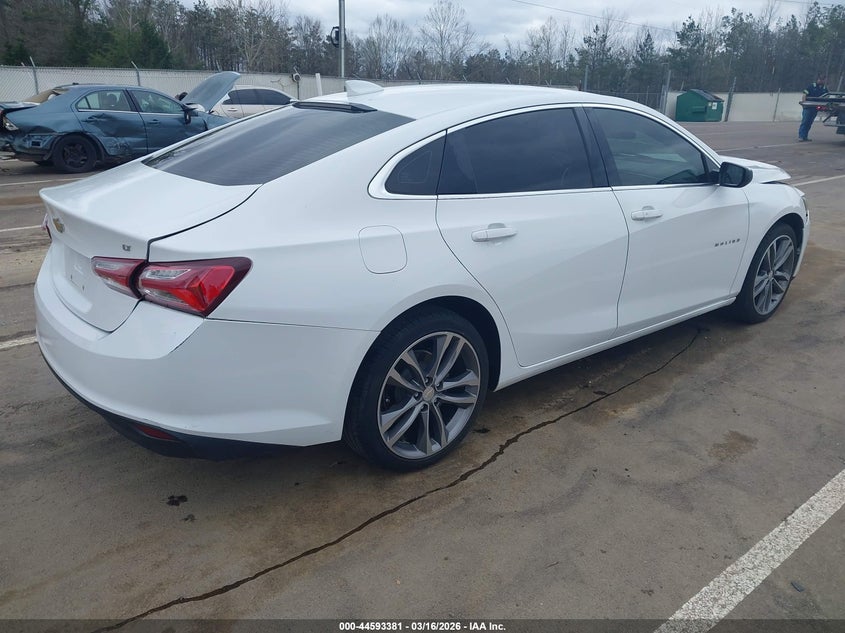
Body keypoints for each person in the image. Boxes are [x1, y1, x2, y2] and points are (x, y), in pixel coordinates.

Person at [798, 74, 828, 141]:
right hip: (808, 107)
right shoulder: (811, 86)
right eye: (820, 79)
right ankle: (801, 136)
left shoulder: (824, 88)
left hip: (815, 108)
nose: (821, 81)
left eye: (823, 80)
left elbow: (827, 97)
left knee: (809, 123)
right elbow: (804, 94)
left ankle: (805, 136)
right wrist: (804, 104)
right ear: (818, 79)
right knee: (805, 121)